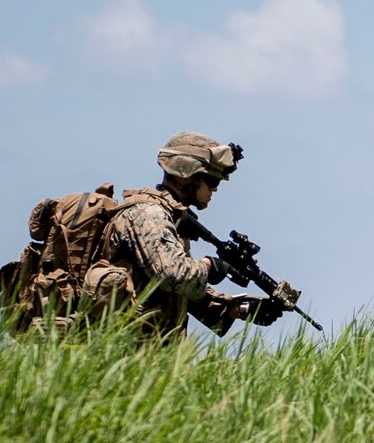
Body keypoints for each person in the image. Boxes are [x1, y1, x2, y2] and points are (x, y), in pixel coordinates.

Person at [82, 131, 289, 338]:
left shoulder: (174, 220)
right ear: (187, 174)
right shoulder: (149, 214)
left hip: (152, 352)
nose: (215, 189)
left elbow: (180, 292)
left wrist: (240, 310)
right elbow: (173, 275)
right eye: (211, 180)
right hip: (125, 347)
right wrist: (209, 265)